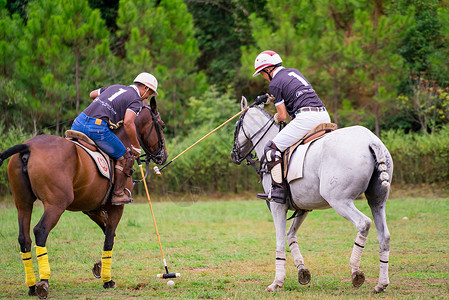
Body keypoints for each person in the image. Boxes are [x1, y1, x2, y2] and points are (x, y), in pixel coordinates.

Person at [252, 50, 331, 204]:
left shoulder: (274, 83)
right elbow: (295, 93)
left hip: (306, 118)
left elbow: (282, 116)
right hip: (323, 114)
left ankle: (278, 191)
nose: (262, 76)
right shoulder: (293, 72)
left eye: (262, 73)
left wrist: (272, 118)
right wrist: (271, 98)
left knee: (271, 149)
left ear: (268, 69)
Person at [71, 72, 159, 205]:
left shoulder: (115, 87)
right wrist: (136, 146)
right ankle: (118, 194)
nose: (147, 97)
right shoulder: (135, 99)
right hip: (96, 128)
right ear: (145, 88)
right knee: (126, 157)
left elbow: (92, 94)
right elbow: (128, 123)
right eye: (150, 93)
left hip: (77, 123)